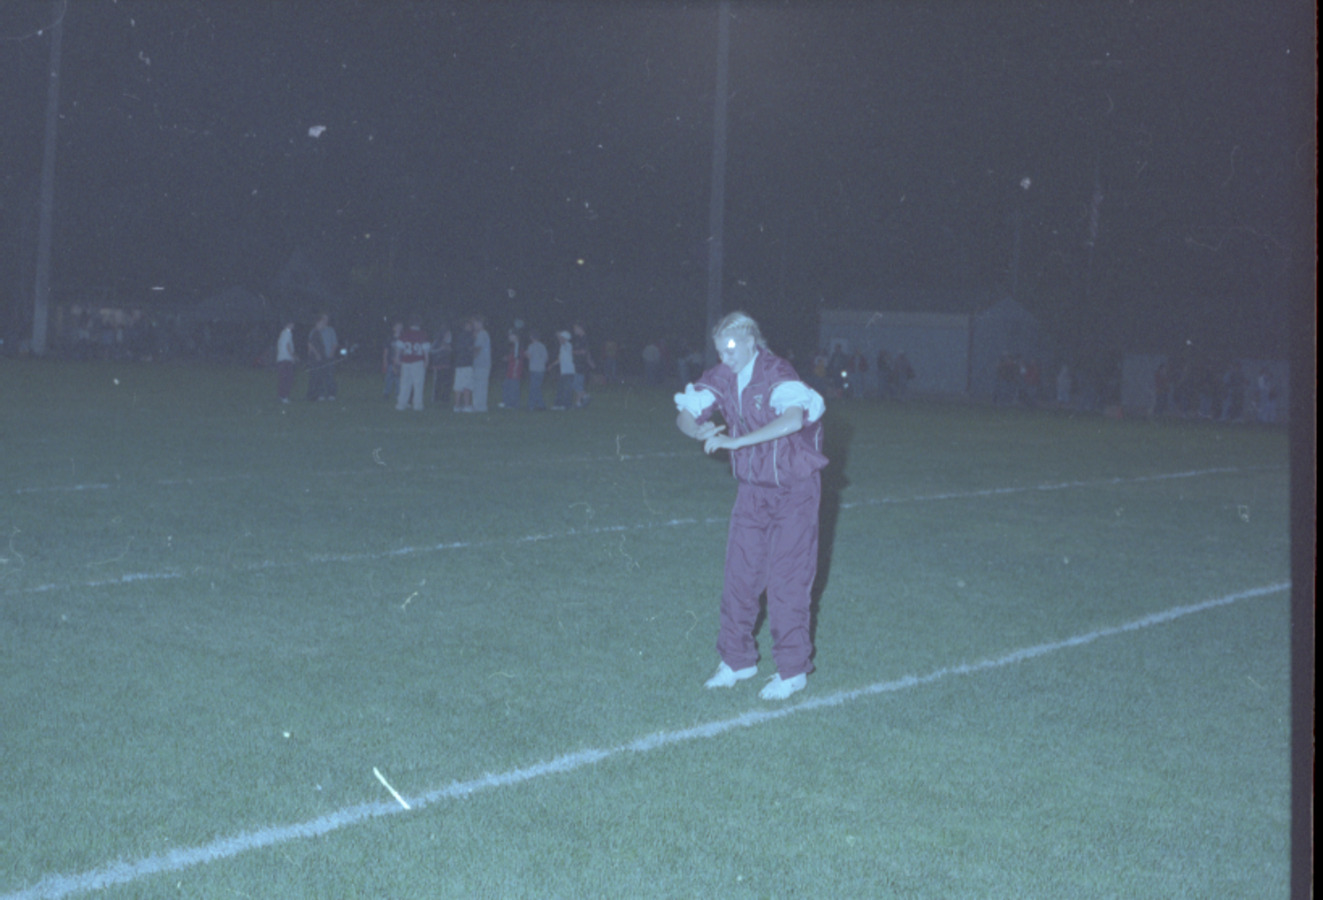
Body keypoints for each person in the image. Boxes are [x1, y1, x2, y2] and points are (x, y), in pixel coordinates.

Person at [674, 311, 828, 701]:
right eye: (719, 350)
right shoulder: (723, 376)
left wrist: (736, 442)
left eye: (731, 348)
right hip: (752, 492)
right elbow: (685, 415)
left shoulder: (776, 371)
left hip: (794, 490)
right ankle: (736, 661)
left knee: (786, 581)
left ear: (751, 341)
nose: (725, 357)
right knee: (739, 578)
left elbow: (792, 420)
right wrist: (698, 429)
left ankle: (792, 671)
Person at [395, 317, 430, 411]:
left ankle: (401, 404)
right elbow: (425, 348)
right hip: (418, 361)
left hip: (406, 361)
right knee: (418, 384)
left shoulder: (404, 334)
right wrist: (427, 360)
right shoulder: (422, 334)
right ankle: (417, 405)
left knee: (404, 383)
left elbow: (399, 347)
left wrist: (397, 357)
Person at [452, 318, 476, 412]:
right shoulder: (470, 336)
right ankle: (466, 406)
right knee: (467, 385)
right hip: (466, 364)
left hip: (459, 364)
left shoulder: (459, 336)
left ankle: (456, 406)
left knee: (458, 386)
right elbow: (470, 349)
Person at [471, 315, 492, 412]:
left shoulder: (482, 334)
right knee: (480, 385)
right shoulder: (482, 334)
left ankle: (479, 406)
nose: (473, 325)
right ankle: (479, 405)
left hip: (481, 363)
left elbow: (477, 348)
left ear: (480, 323)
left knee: (479, 385)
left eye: (474, 323)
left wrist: (470, 357)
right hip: (483, 364)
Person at [500, 329, 524, 409]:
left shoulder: (517, 345)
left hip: (514, 370)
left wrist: (515, 371)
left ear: (516, 336)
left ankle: (513, 404)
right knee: (507, 385)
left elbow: (517, 359)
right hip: (511, 369)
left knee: (513, 387)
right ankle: (507, 403)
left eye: (511, 335)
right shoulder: (514, 346)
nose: (509, 337)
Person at [525, 330, 549, 410]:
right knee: (537, 387)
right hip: (541, 369)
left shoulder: (531, 346)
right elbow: (546, 358)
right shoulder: (543, 346)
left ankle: (531, 405)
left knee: (533, 388)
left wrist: (525, 353)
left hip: (534, 369)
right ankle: (541, 405)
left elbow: (529, 357)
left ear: (531, 337)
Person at [551, 330, 575, 409]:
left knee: (567, 389)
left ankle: (567, 405)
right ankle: (558, 404)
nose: (560, 339)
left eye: (562, 338)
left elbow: (563, 342)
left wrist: (559, 335)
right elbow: (560, 359)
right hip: (563, 371)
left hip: (569, 371)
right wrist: (552, 365)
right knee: (560, 388)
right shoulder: (562, 347)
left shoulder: (568, 345)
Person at [276, 320, 298, 403]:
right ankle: (284, 396)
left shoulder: (283, 333)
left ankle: (281, 396)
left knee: (283, 379)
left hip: (282, 359)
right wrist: (293, 356)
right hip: (286, 359)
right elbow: (287, 345)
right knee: (287, 379)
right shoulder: (288, 333)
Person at [382, 321, 403, 400]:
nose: (399, 328)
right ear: (394, 328)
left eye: (400, 327)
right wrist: (385, 361)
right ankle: (386, 393)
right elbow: (386, 350)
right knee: (389, 378)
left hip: (400, 362)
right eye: (397, 327)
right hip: (391, 362)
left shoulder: (403, 339)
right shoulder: (390, 339)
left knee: (399, 379)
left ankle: (398, 394)